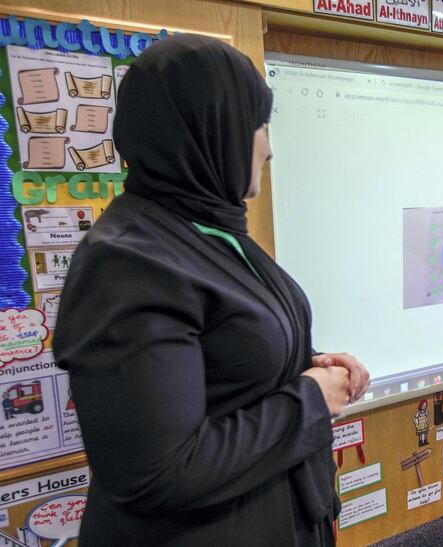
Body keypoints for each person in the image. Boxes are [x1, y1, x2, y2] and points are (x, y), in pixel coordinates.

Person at [52, 35, 369, 546]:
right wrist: (309, 399)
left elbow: (219, 362)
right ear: (210, 131)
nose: (269, 149)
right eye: (259, 126)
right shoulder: (127, 262)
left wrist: (306, 361)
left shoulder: (204, 230)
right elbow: (157, 472)